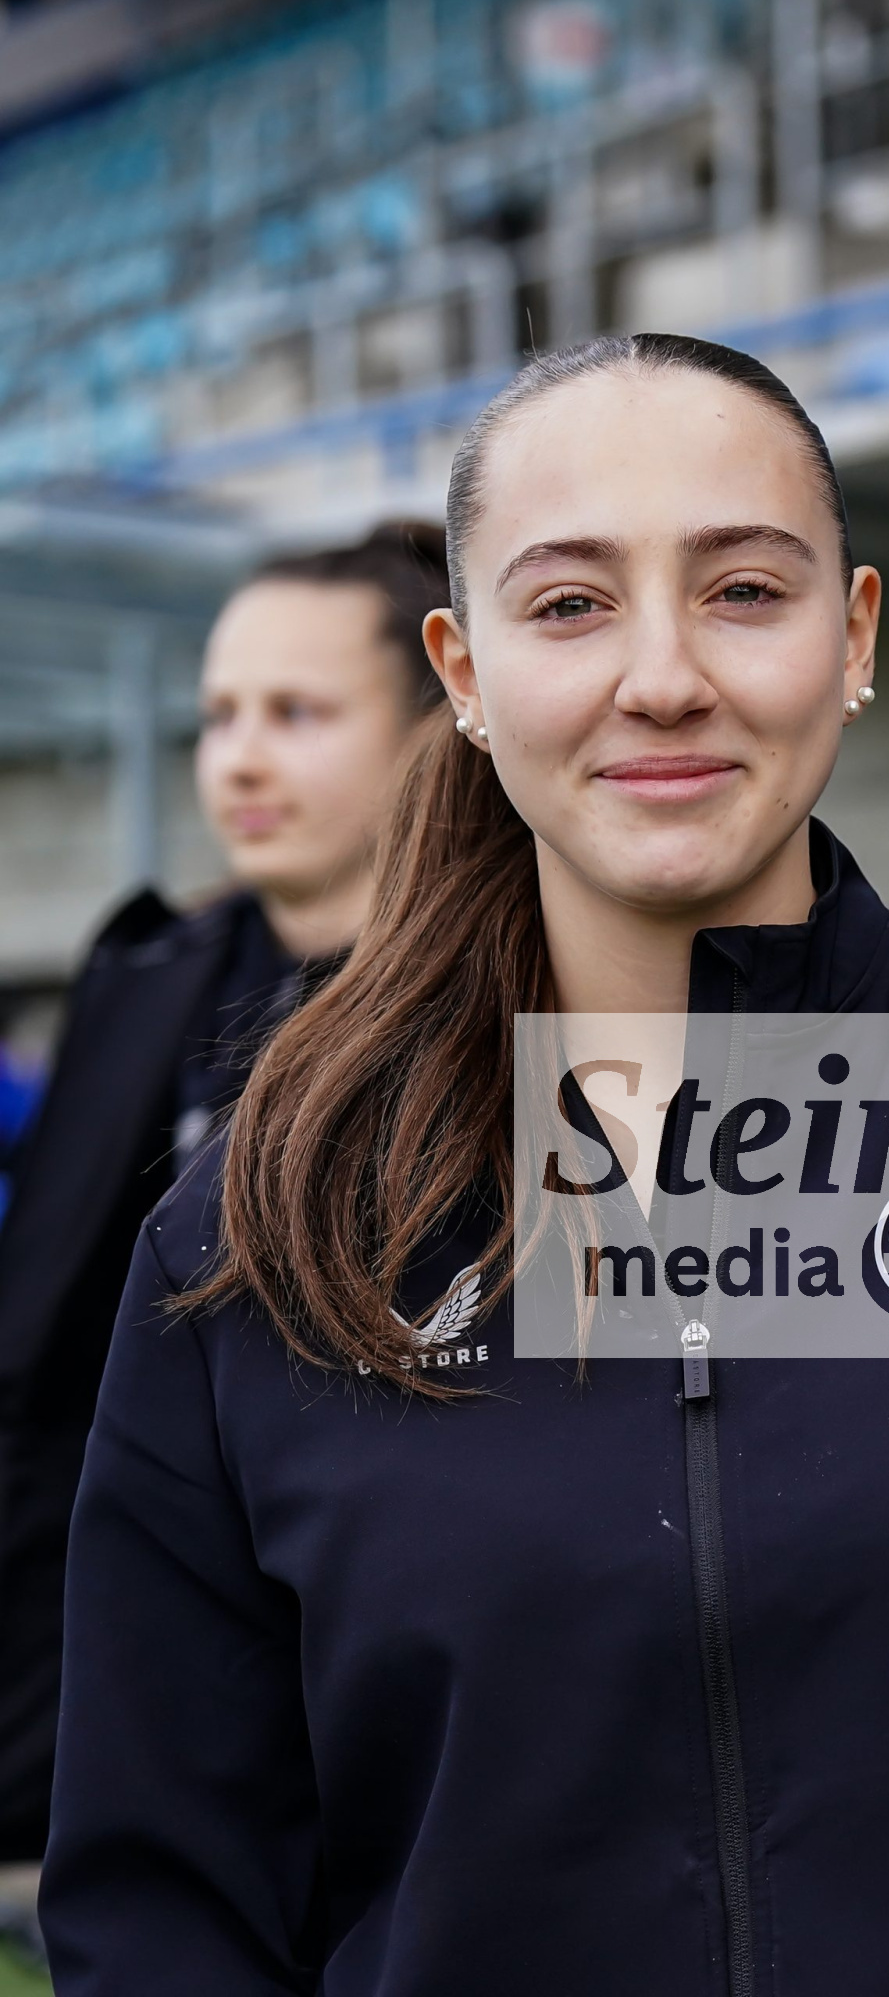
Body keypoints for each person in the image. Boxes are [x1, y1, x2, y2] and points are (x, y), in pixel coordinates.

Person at [40, 337, 889, 1995]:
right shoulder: (263, 1227)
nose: (661, 676)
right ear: (463, 671)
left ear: (851, 636)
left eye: (742, 592)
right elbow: (166, 1911)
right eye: (570, 605)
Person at [0, 519, 448, 1871]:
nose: (239, 760)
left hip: (373, 1674)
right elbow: (50, 1364)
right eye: (219, 716)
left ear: (440, 728)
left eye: (297, 714)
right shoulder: (146, 977)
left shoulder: (514, 1009)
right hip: (119, 1649)